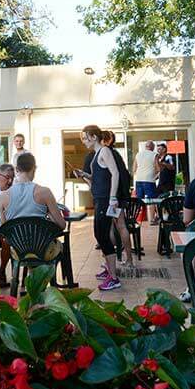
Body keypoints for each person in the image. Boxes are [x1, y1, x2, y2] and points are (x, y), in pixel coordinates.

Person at [82, 125, 122, 291]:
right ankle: (109, 270)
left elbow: (115, 173)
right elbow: (100, 176)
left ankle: (114, 277)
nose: (83, 141)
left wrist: (113, 197)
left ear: (93, 137)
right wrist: (85, 175)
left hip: (106, 200)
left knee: (103, 236)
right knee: (100, 235)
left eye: (85, 138)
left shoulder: (105, 151)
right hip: (99, 199)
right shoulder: (97, 155)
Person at [0, 153, 67, 230]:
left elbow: (3, 230)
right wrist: (49, 213)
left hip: (15, 242)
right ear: (34, 168)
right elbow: (62, 225)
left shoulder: (2, 196)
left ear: (17, 169)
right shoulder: (45, 192)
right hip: (41, 241)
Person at [101, 131, 135, 272]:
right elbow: (126, 174)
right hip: (119, 196)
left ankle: (113, 261)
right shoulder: (116, 154)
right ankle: (127, 259)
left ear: (107, 140)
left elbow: (113, 175)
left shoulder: (107, 153)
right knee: (120, 227)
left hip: (112, 197)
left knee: (113, 228)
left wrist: (112, 196)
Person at [133, 141, 159, 224]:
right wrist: (155, 175)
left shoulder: (138, 154)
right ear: (153, 147)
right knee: (151, 200)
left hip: (139, 179)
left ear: (145, 147)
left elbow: (134, 169)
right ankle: (151, 220)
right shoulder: (154, 155)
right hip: (149, 180)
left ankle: (137, 219)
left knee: (139, 200)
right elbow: (157, 168)